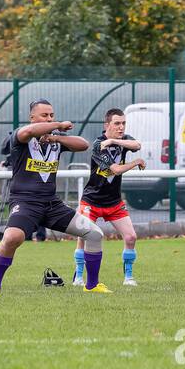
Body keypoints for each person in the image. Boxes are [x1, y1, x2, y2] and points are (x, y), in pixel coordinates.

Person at [0, 99, 108, 293]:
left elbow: (83, 144)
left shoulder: (55, 139)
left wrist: (57, 137)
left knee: (94, 234)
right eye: (45, 115)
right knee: (12, 238)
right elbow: (27, 132)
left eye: (52, 115)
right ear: (32, 118)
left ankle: (92, 286)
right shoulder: (21, 136)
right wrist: (59, 125)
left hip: (52, 204)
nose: (50, 118)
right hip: (25, 203)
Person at [73, 108, 145, 287]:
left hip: (113, 202)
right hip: (92, 200)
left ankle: (128, 278)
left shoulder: (121, 140)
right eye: (117, 124)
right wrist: (136, 162)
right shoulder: (98, 145)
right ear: (107, 125)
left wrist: (114, 140)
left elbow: (138, 145)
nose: (121, 127)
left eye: (123, 123)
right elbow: (116, 169)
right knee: (84, 236)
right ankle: (79, 277)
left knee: (130, 238)